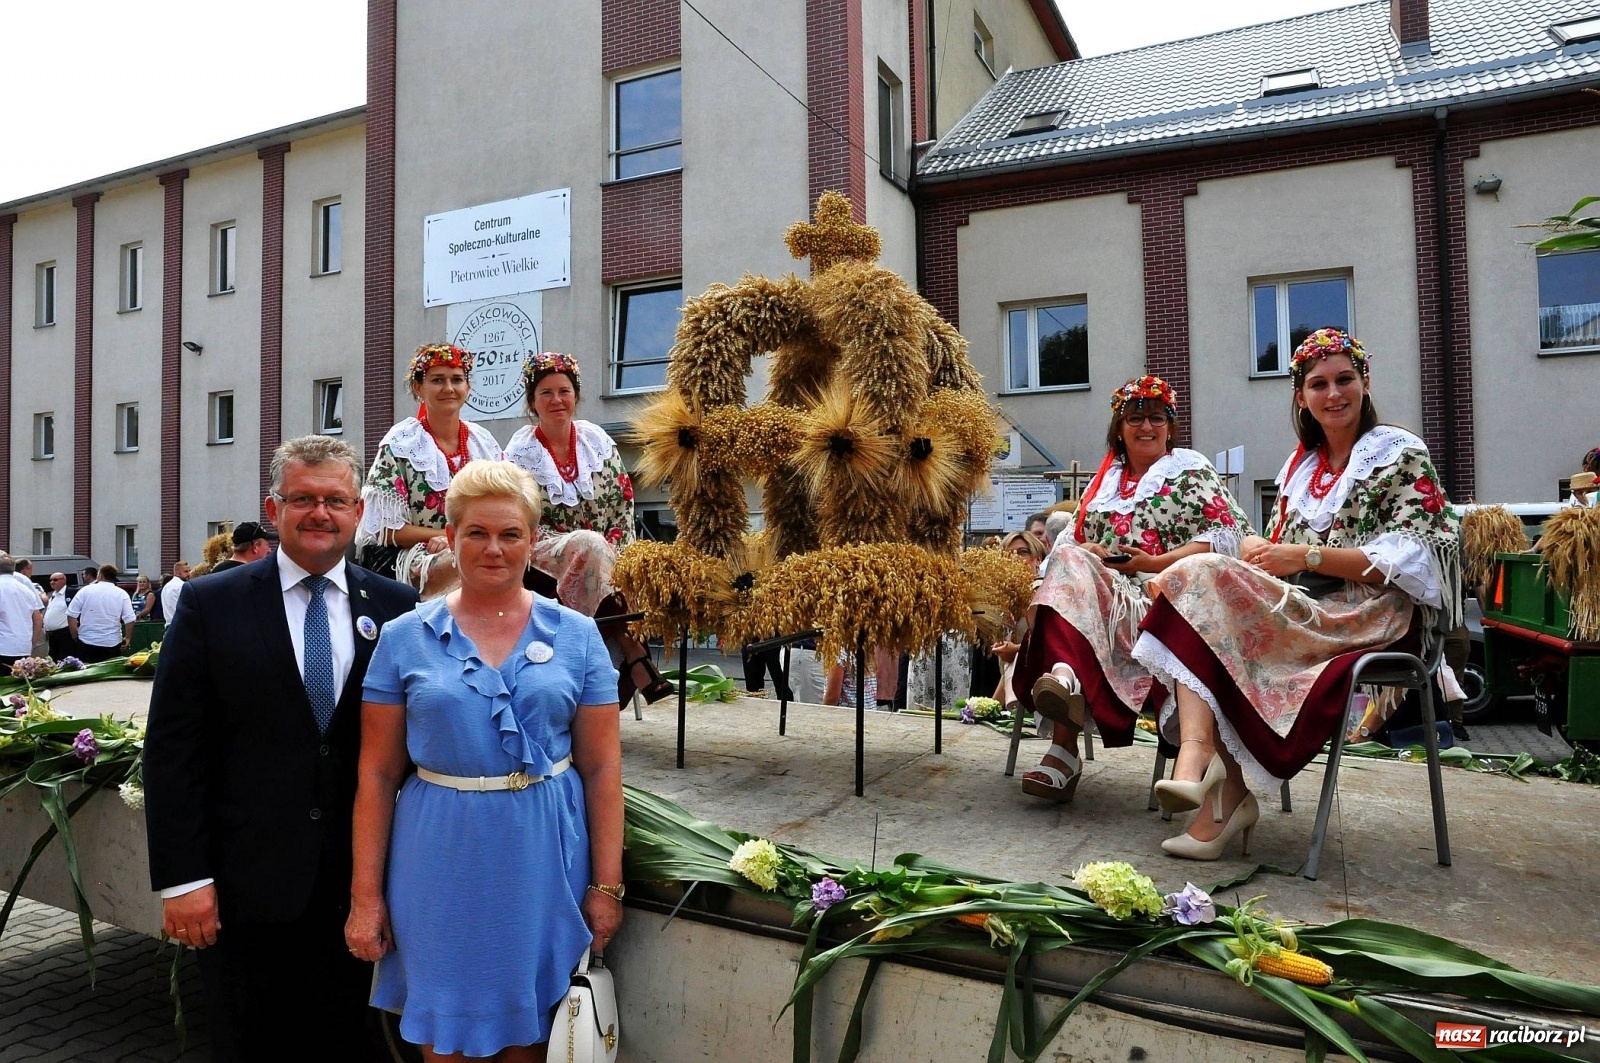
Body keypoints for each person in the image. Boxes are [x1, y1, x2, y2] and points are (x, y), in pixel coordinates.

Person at [1132, 329, 1460, 860]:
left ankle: (1207, 770)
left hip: (1370, 613)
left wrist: (1303, 557)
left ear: (1365, 383)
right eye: (1318, 384)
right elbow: (1278, 551)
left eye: (1344, 380)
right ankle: (1211, 777)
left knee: (1200, 581)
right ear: (1301, 397)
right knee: (1205, 597)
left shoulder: (1399, 453)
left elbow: (1420, 559)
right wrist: (1263, 547)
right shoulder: (1299, 467)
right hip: (1302, 605)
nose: (1333, 394)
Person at [142, 435, 419, 1062]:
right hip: (245, 889)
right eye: (302, 499)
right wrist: (184, 878)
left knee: (354, 1045)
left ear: (357, 511)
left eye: (334, 500)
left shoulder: (399, 610)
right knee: (251, 1043)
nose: (319, 512)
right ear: (275, 508)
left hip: (363, 884)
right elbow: (172, 749)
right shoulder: (213, 604)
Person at [346, 460, 623, 1061]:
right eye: (476, 533)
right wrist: (365, 897)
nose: (493, 548)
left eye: (510, 534)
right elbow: (376, 773)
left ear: (533, 542)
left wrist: (607, 885)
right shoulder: (402, 638)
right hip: (437, 857)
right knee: (444, 1035)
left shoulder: (578, 635)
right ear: (450, 539)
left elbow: (602, 770)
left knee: (530, 1033)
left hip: (544, 856)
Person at [1012, 376, 1251, 804]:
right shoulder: (1105, 480)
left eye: (1156, 418)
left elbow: (1224, 538)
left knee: (1071, 593)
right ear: (1119, 427)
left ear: (1170, 426)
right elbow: (1068, 546)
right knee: (1069, 563)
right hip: (1100, 598)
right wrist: (1093, 549)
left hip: (1164, 601)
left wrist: (1150, 562)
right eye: (1135, 418)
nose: (1146, 427)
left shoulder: (1190, 470)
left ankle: (1063, 745)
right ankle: (1065, 687)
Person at [506, 351, 670, 703]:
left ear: (576, 396)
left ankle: (612, 672)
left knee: (607, 554)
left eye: (564, 391)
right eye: (546, 393)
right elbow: (519, 518)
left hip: (602, 551)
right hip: (540, 556)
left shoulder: (597, 442)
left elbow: (622, 505)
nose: (556, 400)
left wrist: (619, 552)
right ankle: (633, 651)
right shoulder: (520, 452)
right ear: (532, 402)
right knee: (590, 546)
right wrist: (593, 546)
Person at [356, 343, 504, 597]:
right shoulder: (401, 443)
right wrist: (447, 537)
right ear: (418, 388)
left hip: (477, 544)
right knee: (465, 562)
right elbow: (385, 529)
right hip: (414, 555)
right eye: (437, 380)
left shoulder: (483, 441)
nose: (448, 388)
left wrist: (463, 539)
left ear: (467, 387)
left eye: (457, 379)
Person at [67, 564, 136, 663]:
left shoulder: (85, 590)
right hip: (112, 642)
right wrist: (128, 638)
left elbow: (71, 614)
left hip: (87, 640)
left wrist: (75, 635)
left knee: (86, 674)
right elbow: (130, 619)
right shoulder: (122, 594)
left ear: (100, 575)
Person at [0, 556, 43, 668]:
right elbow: (38, 620)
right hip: (23, 648)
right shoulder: (27, 590)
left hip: (3, 647)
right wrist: (32, 643)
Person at [213, 521, 278, 572]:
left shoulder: (216, 571)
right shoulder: (253, 577)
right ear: (255, 546)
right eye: (267, 545)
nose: (269, 550)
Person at [43, 572, 72, 659]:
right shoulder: (52, 595)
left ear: (64, 580)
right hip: (51, 635)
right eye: (51, 580)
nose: (52, 582)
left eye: (55, 580)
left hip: (64, 634)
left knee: (64, 659)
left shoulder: (71, 592)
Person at [160, 561, 191, 626]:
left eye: (189, 571)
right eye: (185, 572)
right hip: (180, 625)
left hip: (172, 623)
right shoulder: (181, 586)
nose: (189, 574)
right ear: (177, 573)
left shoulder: (168, 585)